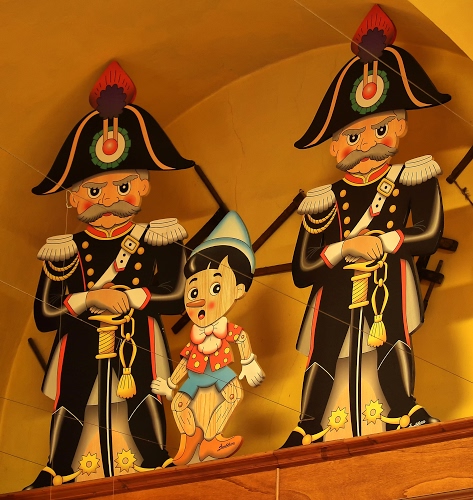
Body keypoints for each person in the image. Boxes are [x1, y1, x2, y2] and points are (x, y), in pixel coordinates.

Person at [282, 6, 450, 447]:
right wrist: (343, 249)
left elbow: (428, 234)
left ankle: (403, 408)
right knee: (324, 350)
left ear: (400, 126)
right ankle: (309, 423)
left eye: (380, 128)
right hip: (336, 286)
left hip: (387, 278)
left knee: (392, 338)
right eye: (353, 136)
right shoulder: (322, 200)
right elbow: (302, 269)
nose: (367, 143)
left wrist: (385, 239)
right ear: (335, 146)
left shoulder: (414, 176)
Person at [25, 61, 195, 488]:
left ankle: (154, 459)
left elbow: (178, 296)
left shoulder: (159, 237)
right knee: (71, 400)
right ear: (73, 197)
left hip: (136, 337)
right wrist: (89, 299)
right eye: (93, 190)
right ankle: (57, 467)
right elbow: (45, 314)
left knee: (143, 394)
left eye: (122, 186)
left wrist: (135, 297)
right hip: (81, 341)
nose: (106, 199)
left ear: (143, 186)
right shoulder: (64, 249)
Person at [151, 211, 265, 465]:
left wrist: (248, 362)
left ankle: (212, 438)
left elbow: (241, 337)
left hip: (220, 372)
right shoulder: (196, 335)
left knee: (234, 395)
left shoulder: (224, 327)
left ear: (237, 290)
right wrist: (171, 383)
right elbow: (185, 360)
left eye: (215, 288)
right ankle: (190, 437)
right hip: (194, 376)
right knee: (178, 404)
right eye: (193, 290)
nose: (200, 299)